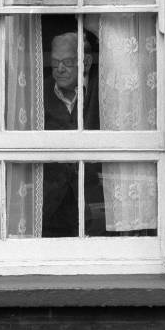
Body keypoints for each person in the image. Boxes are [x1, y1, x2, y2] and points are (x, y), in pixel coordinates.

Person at [42, 32, 103, 237]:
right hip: (50, 208)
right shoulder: (38, 92)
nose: (59, 69)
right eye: (55, 62)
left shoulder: (104, 88)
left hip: (95, 204)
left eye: (67, 62)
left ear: (85, 62)